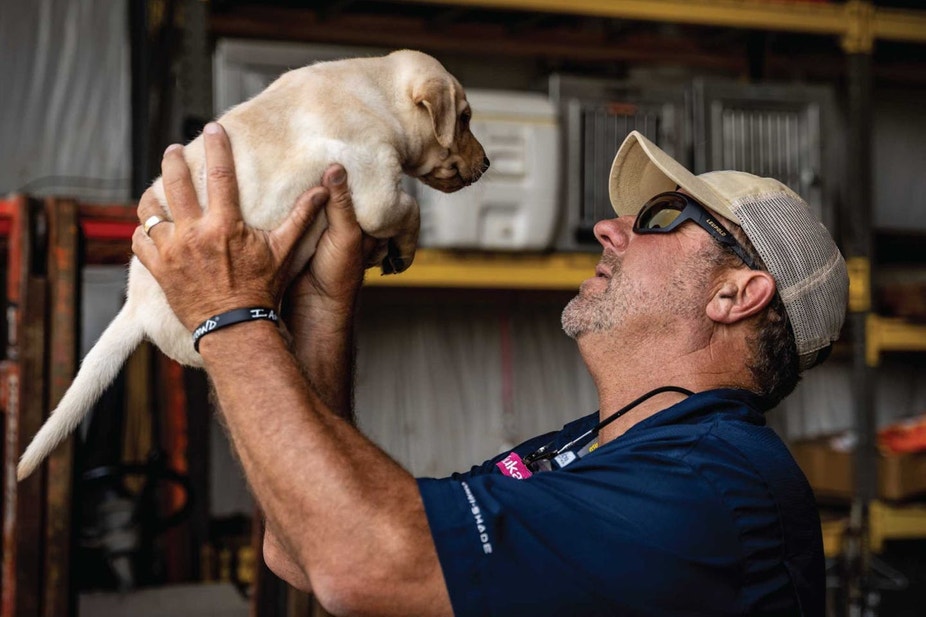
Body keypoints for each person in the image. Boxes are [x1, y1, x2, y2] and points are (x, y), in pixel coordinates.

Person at [133, 122, 848, 616]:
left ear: (736, 295)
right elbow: (303, 546)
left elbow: (361, 562)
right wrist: (322, 307)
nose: (609, 228)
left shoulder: (710, 488)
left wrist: (229, 312)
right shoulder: (586, 450)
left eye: (661, 217)